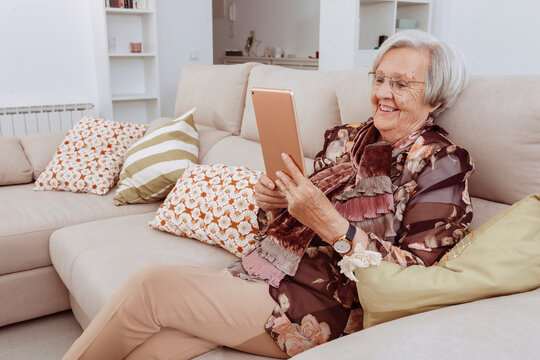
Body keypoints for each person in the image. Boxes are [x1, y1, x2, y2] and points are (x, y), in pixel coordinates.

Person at [63, 29, 474, 360]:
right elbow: (289, 220)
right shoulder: (347, 139)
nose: (383, 93)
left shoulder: (442, 164)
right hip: (269, 272)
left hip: (325, 305)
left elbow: (417, 274)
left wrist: (331, 224)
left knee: (152, 284)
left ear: (436, 97)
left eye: (401, 83)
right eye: (380, 79)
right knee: (150, 351)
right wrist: (276, 203)